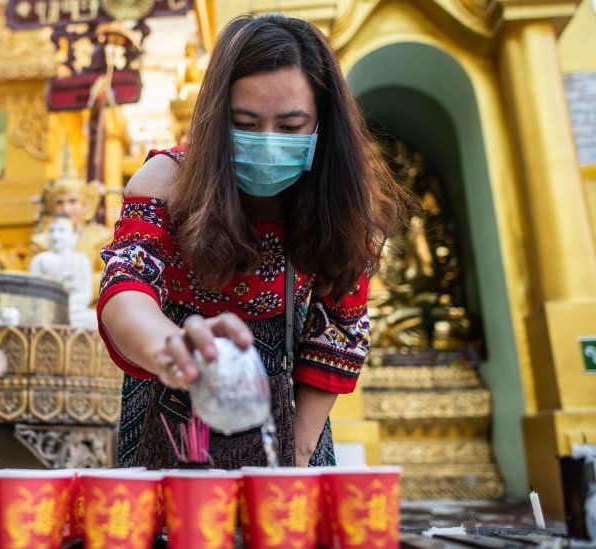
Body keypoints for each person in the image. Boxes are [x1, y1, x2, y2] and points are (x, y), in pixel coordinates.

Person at [97, 14, 408, 469]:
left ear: (322, 124)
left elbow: (340, 330)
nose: (267, 142)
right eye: (244, 122)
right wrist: (172, 347)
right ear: (214, 119)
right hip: (168, 405)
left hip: (295, 412)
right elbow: (125, 288)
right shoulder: (168, 181)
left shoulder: (339, 202)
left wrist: (296, 453)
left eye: (290, 127)